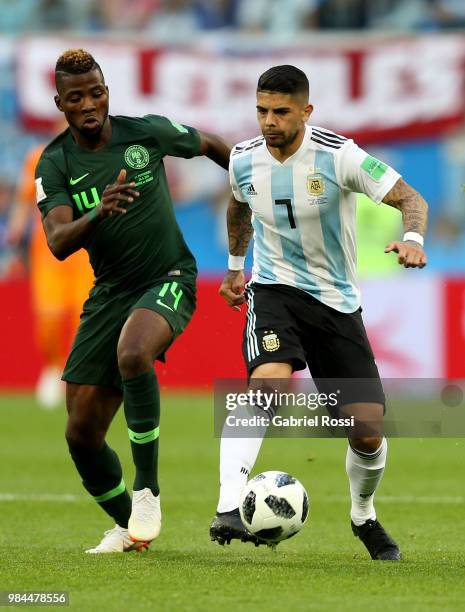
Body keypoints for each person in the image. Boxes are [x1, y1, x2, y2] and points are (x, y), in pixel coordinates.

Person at [209, 65, 428, 560]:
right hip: (273, 291)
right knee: (267, 385)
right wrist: (234, 267)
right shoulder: (242, 159)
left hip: (336, 302)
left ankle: (362, 515)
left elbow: (410, 198)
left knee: (367, 430)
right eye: (262, 110)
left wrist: (413, 240)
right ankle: (227, 506)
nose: (269, 121)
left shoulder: (340, 156)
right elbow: (239, 207)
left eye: (281, 112)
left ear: (306, 111)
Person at [35, 48, 230, 553]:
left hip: (168, 275)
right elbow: (57, 242)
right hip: (110, 292)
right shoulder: (55, 162)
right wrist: (97, 213)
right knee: (80, 434)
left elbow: (210, 143)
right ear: (60, 102)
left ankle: (147, 490)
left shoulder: (145, 133)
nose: (89, 103)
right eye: (76, 97)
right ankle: (130, 527)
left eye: (96, 92)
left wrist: (257, 185)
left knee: (133, 353)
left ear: (107, 92)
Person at [8, 138, 94, 409]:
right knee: (49, 317)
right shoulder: (38, 157)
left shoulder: (96, 156)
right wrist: (17, 227)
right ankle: (51, 367)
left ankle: (76, 376)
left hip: (85, 253)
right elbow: (24, 198)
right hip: (49, 252)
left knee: (86, 318)